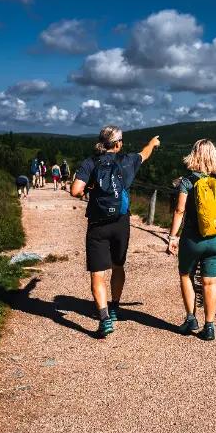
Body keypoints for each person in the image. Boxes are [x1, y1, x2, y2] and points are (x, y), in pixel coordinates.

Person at [70, 125, 160, 337]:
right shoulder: (127, 161)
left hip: (97, 224)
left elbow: (75, 190)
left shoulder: (89, 162)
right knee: (118, 266)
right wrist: (152, 143)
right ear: (118, 144)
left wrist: (89, 189)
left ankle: (104, 319)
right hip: (121, 223)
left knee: (98, 273)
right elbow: (144, 154)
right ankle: (115, 307)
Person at [167, 139, 216, 341]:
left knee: (186, 275)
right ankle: (209, 326)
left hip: (193, 240)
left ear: (194, 155)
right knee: (211, 282)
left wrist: (173, 236)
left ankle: (191, 319)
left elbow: (179, 210)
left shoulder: (187, 181)